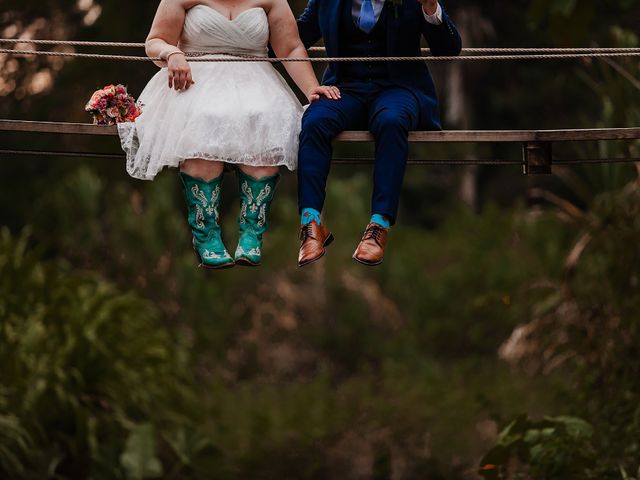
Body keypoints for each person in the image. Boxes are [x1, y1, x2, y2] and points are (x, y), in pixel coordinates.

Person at [118, 0, 340, 269]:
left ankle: (251, 233)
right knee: (205, 128)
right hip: (196, 80)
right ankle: (206, 235)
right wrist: (172, 53)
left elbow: (290, 47)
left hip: (257, 83)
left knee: (265, 125)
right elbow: (155, 40)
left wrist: (312, 89)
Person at [295, 0, 462, 267]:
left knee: (391, 120)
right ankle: (311, 224)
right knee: (314, 120)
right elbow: (293, 38)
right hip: (344, 88)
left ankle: (379, 225)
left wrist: (430, 7)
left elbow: (449, 50)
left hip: (399, 87)